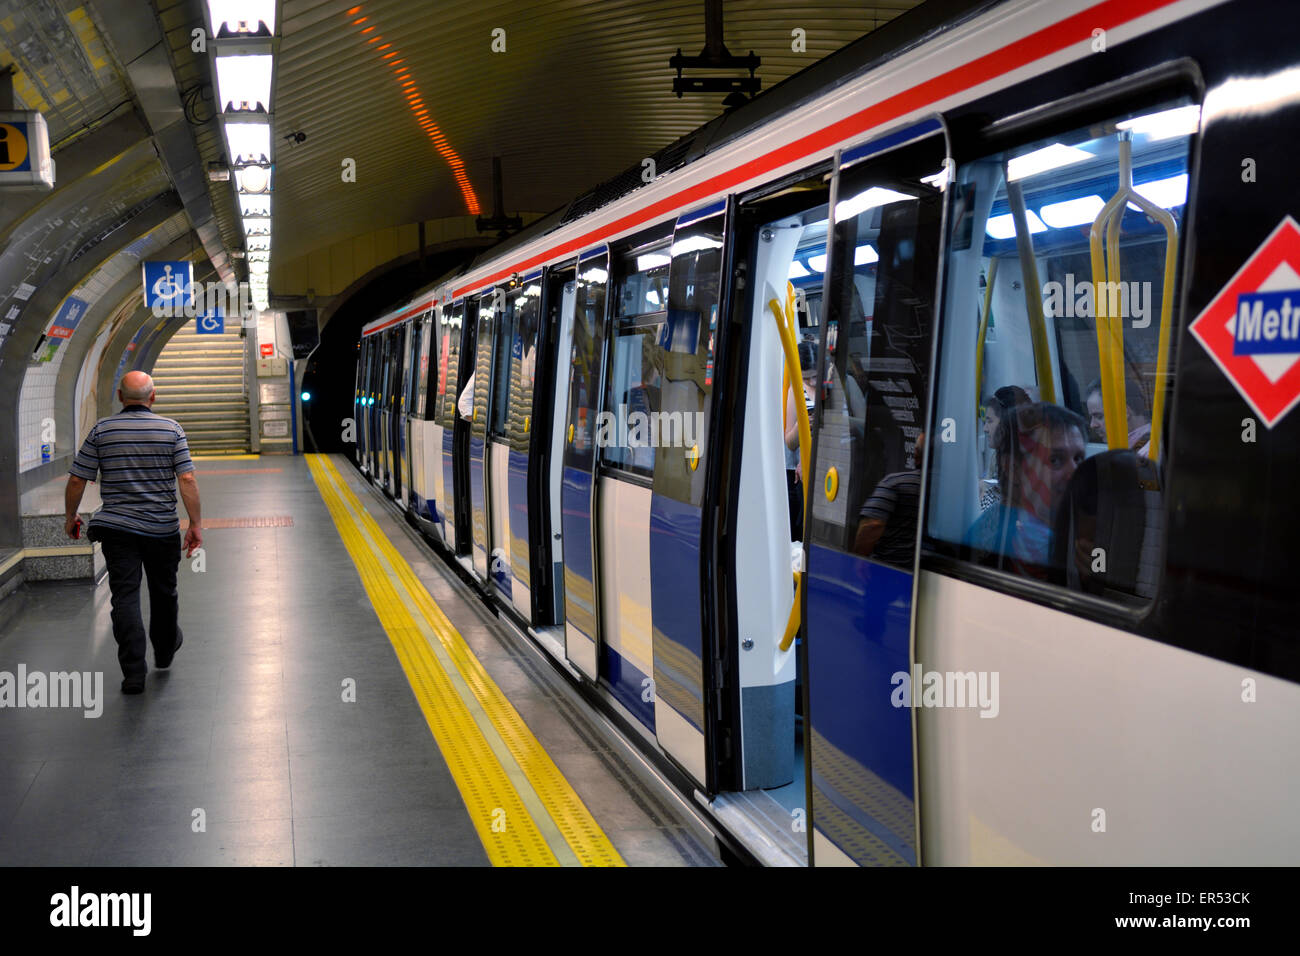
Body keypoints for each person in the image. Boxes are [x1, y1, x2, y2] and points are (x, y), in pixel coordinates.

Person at [64, 371, 202, 694]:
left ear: (120, 396)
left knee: (125, 597)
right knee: (163, 593)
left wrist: (71, 516)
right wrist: (195, 524)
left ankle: (133, 674)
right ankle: (165, 650)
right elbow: (188, 480)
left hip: (117, 529)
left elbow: (76, 479)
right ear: (153, 397)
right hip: (161, 528)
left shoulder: (102, 430)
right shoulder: (172, 430)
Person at [966, 402, 1087, 577]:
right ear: (1013, 468)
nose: (1075, 473)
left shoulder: (1089, 528)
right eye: (1055, 460)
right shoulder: (1002, 537)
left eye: (1079, 459)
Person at [854, 430, 924, 566]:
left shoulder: (895, 483)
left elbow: (872, 525)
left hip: (887, 569)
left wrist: (858, 561)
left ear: (915, 454)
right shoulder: (949, 492)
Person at [784, 340, 817, 540]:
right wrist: (802, 425)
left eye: (815, 375)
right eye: (806, 378)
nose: (812, 382)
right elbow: (789, 441)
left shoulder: (840, 383)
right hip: (803, 472)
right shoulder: (794, 391)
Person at [980, 385, 1032, 510]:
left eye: (990, 421)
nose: (985, 428)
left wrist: (984, 494)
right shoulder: (998, 458)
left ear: (1007, 423)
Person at [1084, 378, 1151, 454]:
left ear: (1124, 412)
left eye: (1099, 416)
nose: (1092, 425)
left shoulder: (1145, 454)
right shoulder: (1148, 441)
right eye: (1091, 417)